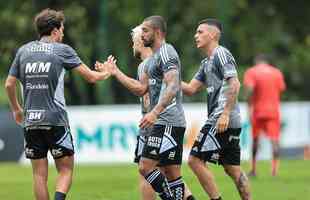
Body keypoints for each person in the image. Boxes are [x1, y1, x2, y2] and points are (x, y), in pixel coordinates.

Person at [5, 8, 110, 200]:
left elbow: (9, 84)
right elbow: (91, 78)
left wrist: (17, 110)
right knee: (66, 170)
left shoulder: (23, 51)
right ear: (54, 30)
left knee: (38, 175)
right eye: (61, 29)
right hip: (56, 120)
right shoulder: (62, 50)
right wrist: (107, 71)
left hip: (31, 121)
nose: (62, 33)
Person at [97, 16, 192, 200]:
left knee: (145, 167)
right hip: (163, 121)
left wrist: (154, 112)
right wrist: (115, 72)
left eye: (145, 31)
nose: (142, 35)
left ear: (157, 32)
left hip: (167, 121)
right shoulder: (150, 61)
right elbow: (141, 89)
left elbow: (173, 86)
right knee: (172, 175)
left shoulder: (166, 52)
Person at [182, 19, 251, 200]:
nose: (195, 36)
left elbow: (235, 83)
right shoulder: (206, 62)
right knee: (233, 169)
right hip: (228, 119)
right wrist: (169, 78)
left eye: (200, 32)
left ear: (213, 34)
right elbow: (190, 89)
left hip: (222, 117)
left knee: (194, 160)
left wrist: (225, 113)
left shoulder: (221, 54)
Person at [243, 54, 286, 177]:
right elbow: (281, 88)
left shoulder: (252, 72)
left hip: (258, 111)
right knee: (274, 140)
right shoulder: (276, 72)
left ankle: (253, 169)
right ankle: (274, 171)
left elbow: (250, 89)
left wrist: (248, 103)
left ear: (256, 62)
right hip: (273, 111)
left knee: (256, 140)